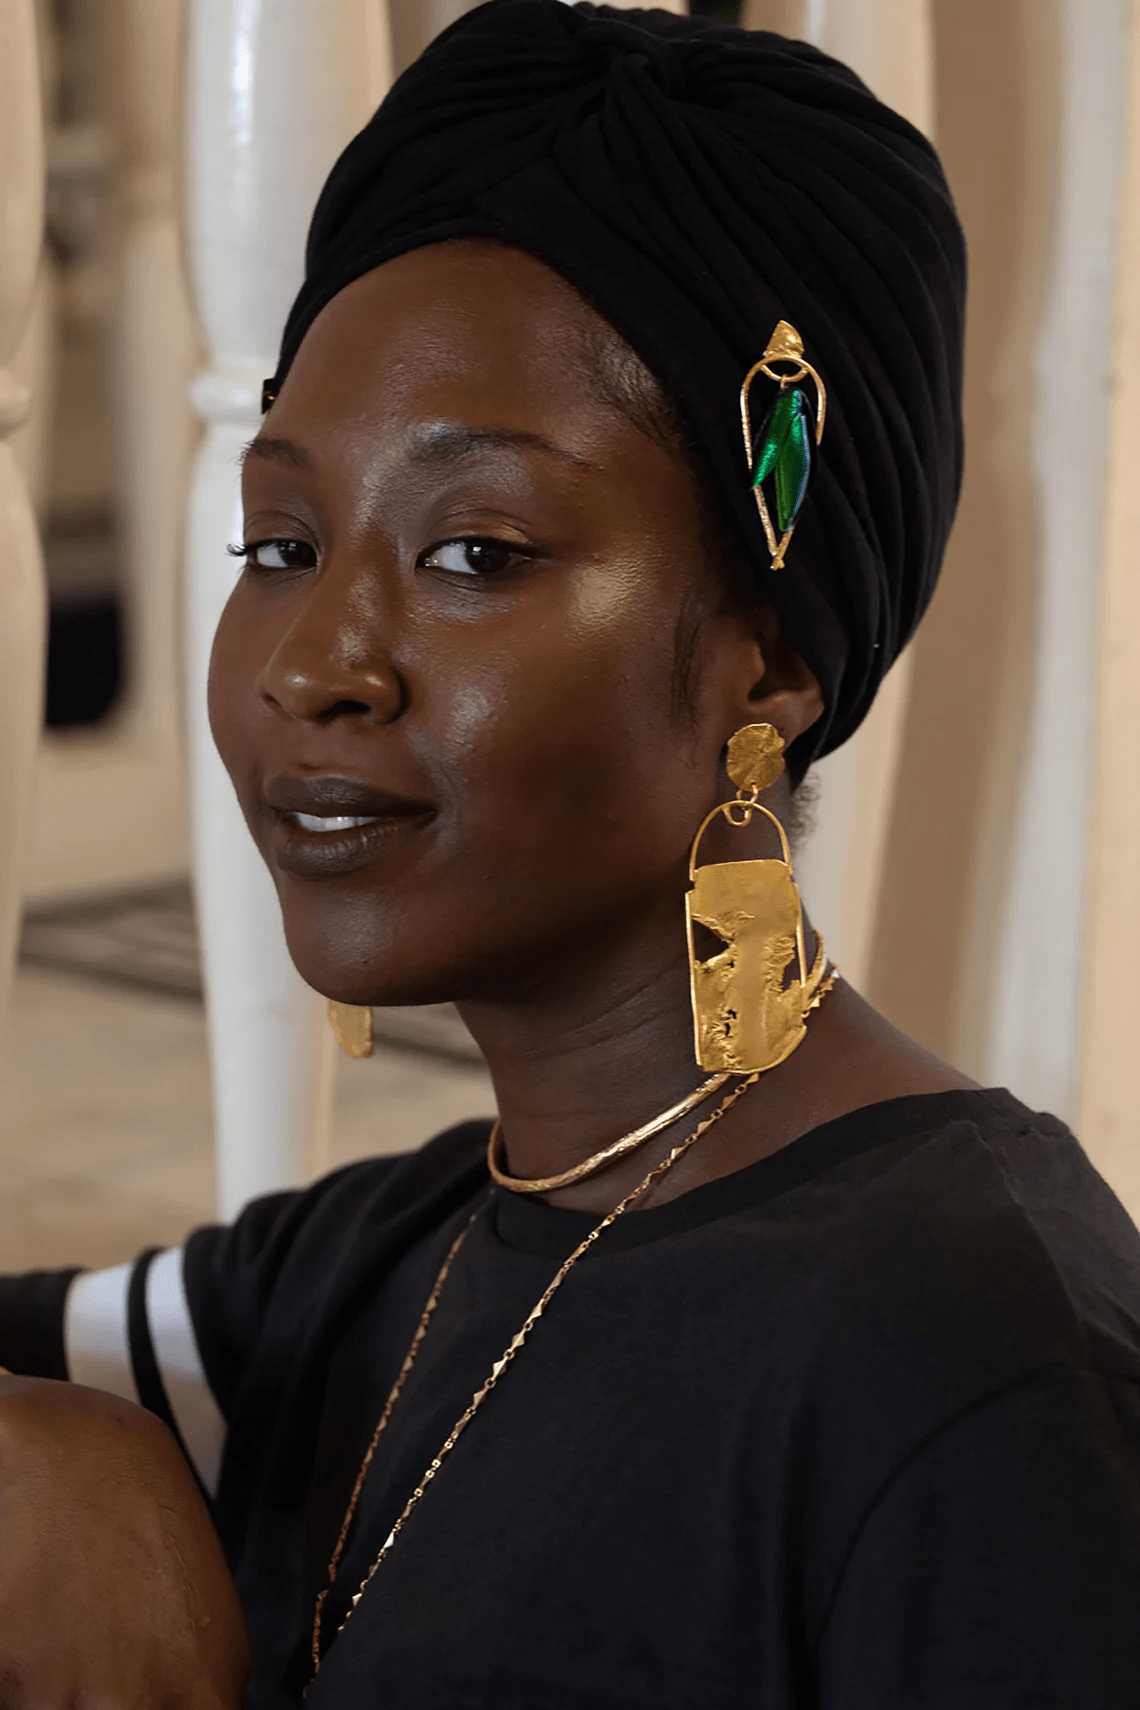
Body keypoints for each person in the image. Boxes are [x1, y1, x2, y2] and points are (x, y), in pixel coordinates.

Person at [2, 4, 1140, 1706]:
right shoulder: (385, 1265)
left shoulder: (970, 1354)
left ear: (769, 654)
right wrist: (61, 1474)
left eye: (476, 548)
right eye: (281, 539)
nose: (317, 658)